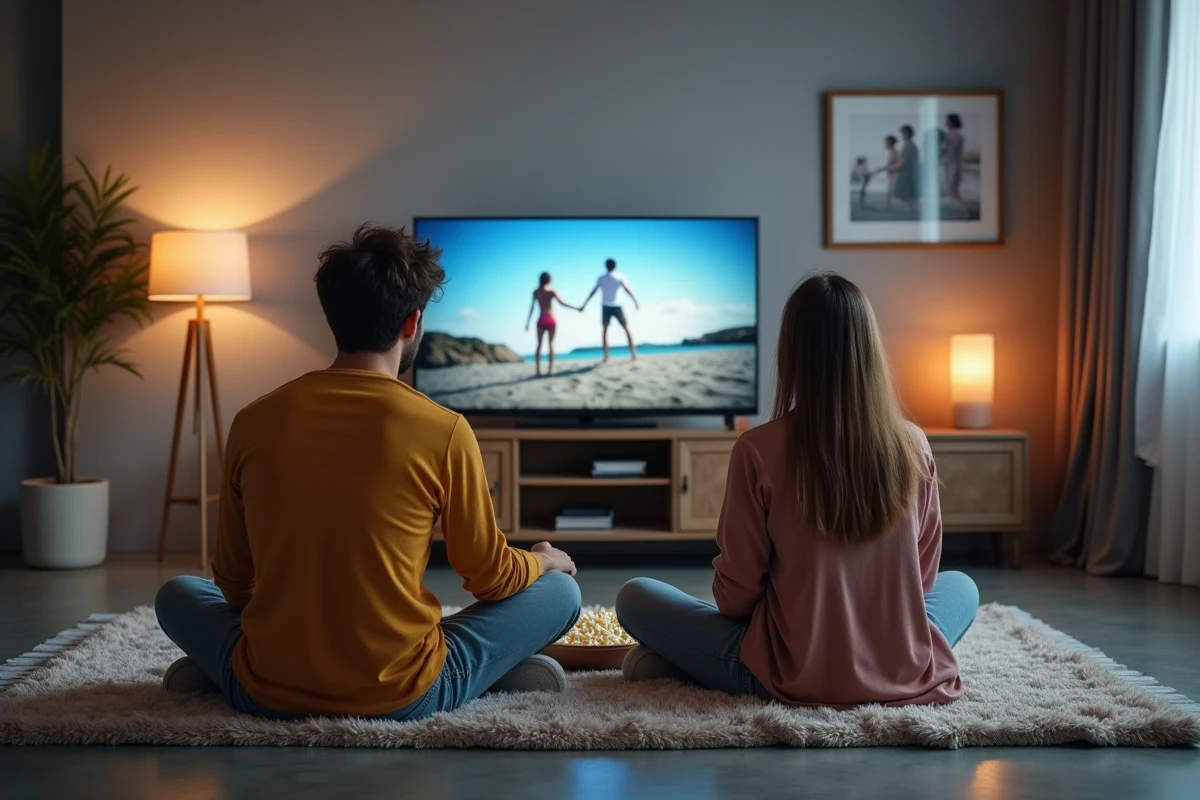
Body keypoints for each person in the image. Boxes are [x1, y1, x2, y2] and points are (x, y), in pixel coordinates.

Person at [153, 224, 582, 721]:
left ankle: (217, 673)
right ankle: (496, 672)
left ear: (331, 316)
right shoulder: (444, 430)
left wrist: (289, 635)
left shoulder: (253, 420)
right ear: (412, 323)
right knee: (563, 594)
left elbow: (231, 583)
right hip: (402, 694)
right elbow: (490, 578)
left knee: (177, 594)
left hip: (266, 689)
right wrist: (544, 561)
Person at [615, 272, 978, 709]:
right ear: (870, 351)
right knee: (963, 587)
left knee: (634, 596)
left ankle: (682, 662)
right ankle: (688, 661)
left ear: (792, 352)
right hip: (903, 670)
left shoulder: (757, 449)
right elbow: (919, 584)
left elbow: (735, 600)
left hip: (790, 678)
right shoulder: (913, 443)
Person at [580, 258, 640, 362]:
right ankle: (633, 354)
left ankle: (606, 356)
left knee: (605, 331)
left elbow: (592, 292)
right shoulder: (620, 277)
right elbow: (627, 290)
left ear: (606, 266)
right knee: (626, 329)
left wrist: (584, 305)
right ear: (615, 266)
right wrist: (635, 301)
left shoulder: (601, 278)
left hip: (606, 306)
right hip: (617, 306)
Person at [525, 271, 579, 376]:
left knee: (539, 345)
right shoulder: (551, 292)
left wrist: (527, 322)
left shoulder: (536, 292)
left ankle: (537, 371)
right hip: (551, 318)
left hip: (541, 319)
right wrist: (576, 308)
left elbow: (531, 308)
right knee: (551, 344)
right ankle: (550, 370)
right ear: (549, 280)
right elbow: (562, 303)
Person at [941, 113, 969, 215]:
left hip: (951, 166)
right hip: (953, 166)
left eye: (947, 121)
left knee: (952, 192)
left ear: (951, 123)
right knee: (953, 192)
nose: (945, 123)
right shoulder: (958, 136)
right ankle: (965, 210)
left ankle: (966, 210)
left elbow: (945, 150)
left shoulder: (951, 136)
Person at [893, 124, 921, 214]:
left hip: (906, 175)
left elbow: (902, 163)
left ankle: (915, 211)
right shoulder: (914, 146)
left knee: (905, 196)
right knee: (911, 196)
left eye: (902, 134)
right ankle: (915, 211)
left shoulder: (907, 146)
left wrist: (892, 168)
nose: (901, 136)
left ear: (906, 134)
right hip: (913, 174)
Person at [874, 135, 902, 210]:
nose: (884, 144)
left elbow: (889, 165)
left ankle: (887, 207)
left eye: (886, 142)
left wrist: (880, 169)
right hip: (893, 174)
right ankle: (887, 206)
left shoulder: (892, 152)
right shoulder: (894, 152)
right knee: (890, 192)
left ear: (890, 143)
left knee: (890, 192)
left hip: (894, 175)